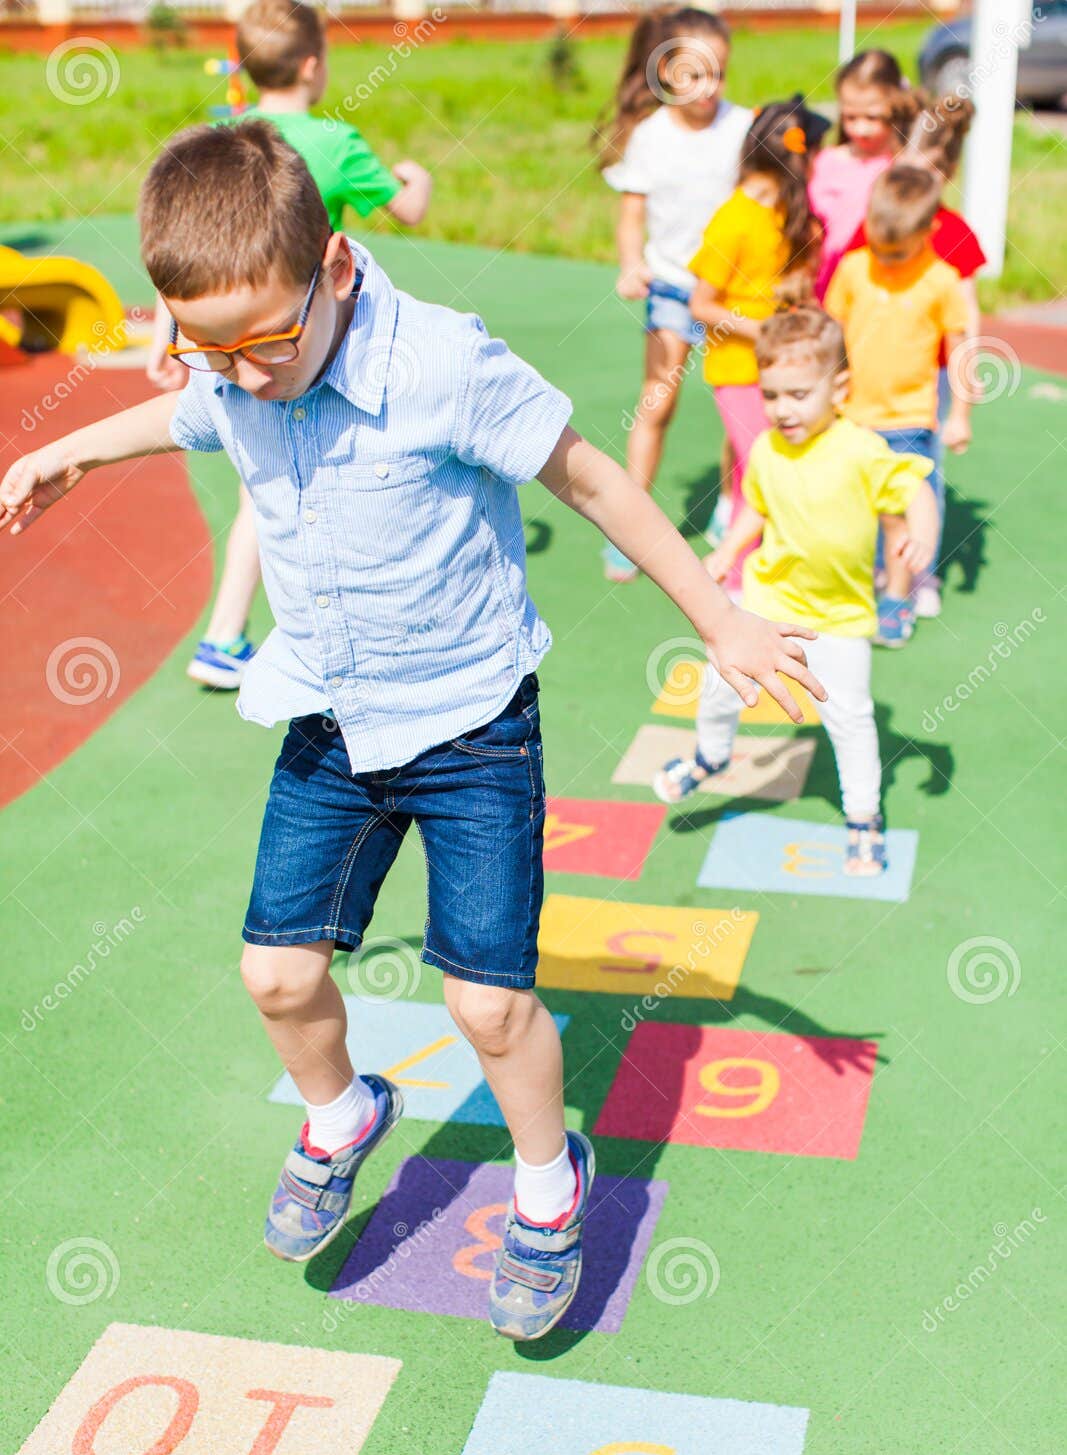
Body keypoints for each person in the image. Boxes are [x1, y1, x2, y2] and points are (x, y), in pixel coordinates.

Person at [1, 122, 825, 1342]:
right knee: (275, 974)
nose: (240, 373)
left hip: (470, 724)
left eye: (262, 341)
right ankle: (341, 1116)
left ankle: (549, 1189)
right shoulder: (236, 368)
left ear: (333, 267)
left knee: (487, 1007)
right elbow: (180, 419)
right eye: (205, 347)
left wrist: (716, 616)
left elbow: (589, 478)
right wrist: (66, 449)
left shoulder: (443, 366)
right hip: (334, 718)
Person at [147, 0, 431, 689]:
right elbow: (411, 210)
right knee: (277, 490)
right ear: (313, 64)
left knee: (270, 486)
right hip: (296, 346)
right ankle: (227, 637)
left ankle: (249, 633)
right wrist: (414, 172)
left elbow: (190, 251)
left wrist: (169, 336)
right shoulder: (335, 144)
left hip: (225, 344)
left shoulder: (221, 138)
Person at [654, 307, 937, 875]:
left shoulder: (860, 449)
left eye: (799, 395)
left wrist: (924, 534)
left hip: (838, 616)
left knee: (850, 718)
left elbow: (914, 488)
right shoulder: (765, 450)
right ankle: (710, 756)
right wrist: (730, 550)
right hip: (767, 603)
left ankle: (863, 819)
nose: (783, 409)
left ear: (841, 388)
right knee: (718, 684)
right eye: (773, 395)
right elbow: (755, 507)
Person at [596, 6, 750, 579]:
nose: (709, 88)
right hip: (670, 287)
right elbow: (631, 213)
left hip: (733, 291)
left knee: (737, 404)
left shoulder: (743, 127)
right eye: (696, 75)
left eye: (719, 74)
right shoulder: (651, 137)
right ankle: (632, 527)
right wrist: (631, 263)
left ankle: (733, 511)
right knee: (659, 400)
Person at [844, 93, 984, 619]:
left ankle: (917, 572)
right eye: (903, 168)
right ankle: (876, 565)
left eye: (922, 173)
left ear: (942, 176)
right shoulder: (880, 226)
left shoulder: (951, 237)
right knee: (865, 479)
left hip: (928, 376)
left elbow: (966, 323)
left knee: (921, 478)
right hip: (867, 378)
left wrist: (964, 408)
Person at [687, 97, 829, 597]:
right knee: (759, 470)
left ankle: (770, 569)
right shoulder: (735, 218)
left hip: (783, 366)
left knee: (783, 465)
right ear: (796, 158)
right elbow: (702, 304)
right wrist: (762, 328)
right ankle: (737, 578)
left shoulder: (791, 213)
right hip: (739, 368)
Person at [826, 163, 971, 646]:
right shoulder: (853, 268)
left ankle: (898, 598)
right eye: (878, 246)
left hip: (910, 419)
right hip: (852, 417)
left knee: (906, 513)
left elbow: (961, 349)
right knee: (853, 510)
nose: (886, 259)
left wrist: (961, 415)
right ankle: (858, 587)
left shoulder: (942, 280)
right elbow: (832, 334)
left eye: (898, 251)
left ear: (930, 230)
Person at [809, 48, 916, 302]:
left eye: (873, 116)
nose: (861, 128)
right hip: (828, 285)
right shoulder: (827, 162)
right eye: (850, 117)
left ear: (896, 107)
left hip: (881, 287)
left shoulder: (902, 166)